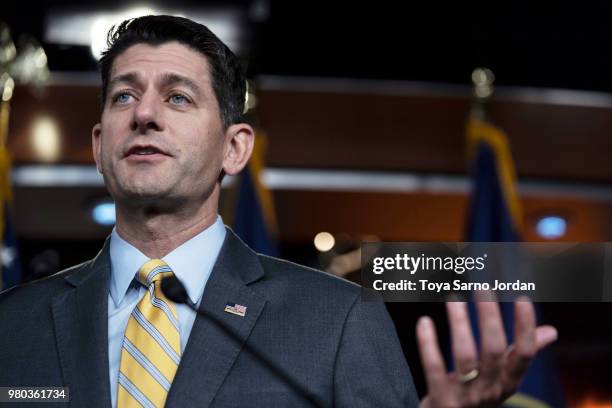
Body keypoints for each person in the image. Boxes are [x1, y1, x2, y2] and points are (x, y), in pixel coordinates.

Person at [0, 15, 558, 407]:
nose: (144, 113)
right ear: (99, 146)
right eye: (124, 95)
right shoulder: (12, 326)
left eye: (177, 97)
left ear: (235, 148)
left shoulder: (338, 320)